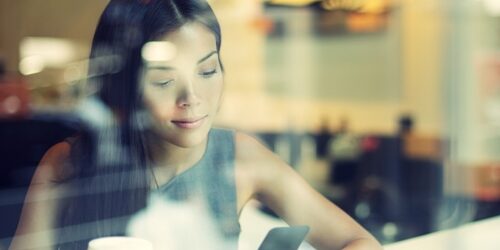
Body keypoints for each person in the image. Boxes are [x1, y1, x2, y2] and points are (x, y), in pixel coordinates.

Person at [9, 0, 382, 249]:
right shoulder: (68, 164)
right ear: (124, 86)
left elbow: (359, 242)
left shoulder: (240, 158)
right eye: (163, 80)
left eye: (207, 70)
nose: (192, 97)